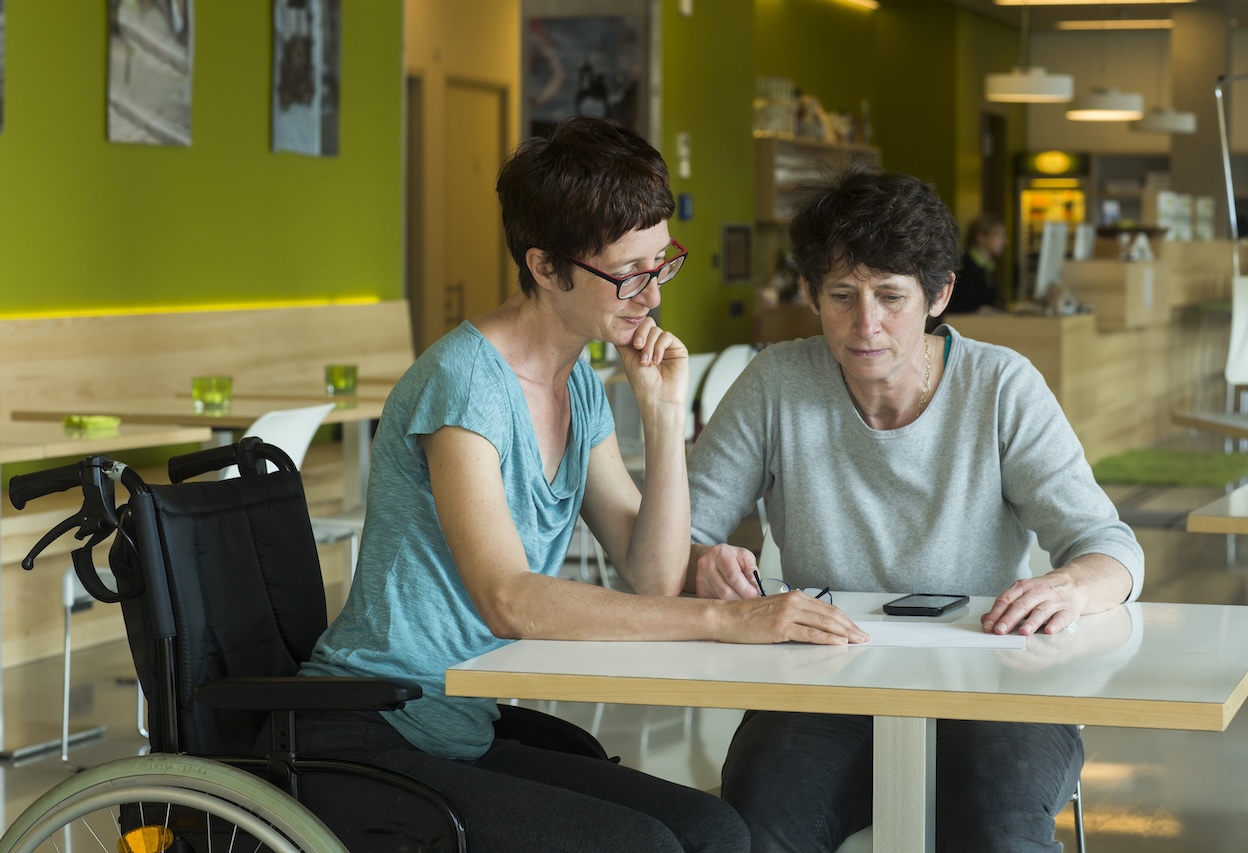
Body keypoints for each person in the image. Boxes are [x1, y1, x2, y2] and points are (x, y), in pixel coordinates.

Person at [296, 116, 863, 853]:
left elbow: (652, 572)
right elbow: (509, 598)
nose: (653, 296)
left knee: (715, 828)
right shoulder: (465, 384)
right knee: (647, 845)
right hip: (369, 729)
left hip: (458, 726)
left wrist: (663, 417)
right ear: (544, 265)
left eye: (663, 264)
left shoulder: (579, 384)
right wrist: (727, 620)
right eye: (630, 274)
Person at [688, 166, 1144, 853]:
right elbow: (684, 535)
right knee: (756, 826)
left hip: (994, 682)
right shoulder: (776, 383)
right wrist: (704, 563)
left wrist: (1072, 584)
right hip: (826, 683)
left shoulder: (1002, 386)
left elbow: (1111, 547)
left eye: (890, 296)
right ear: (811, 294)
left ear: (939, 295)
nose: (864, 324)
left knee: (995, 832)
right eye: (841, 295)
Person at [947, 211, 1006, 314]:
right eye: (997, 235)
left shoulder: (990, 267)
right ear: (981, 237)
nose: (1003, 241)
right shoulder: (964, 266)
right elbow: (964, 305)